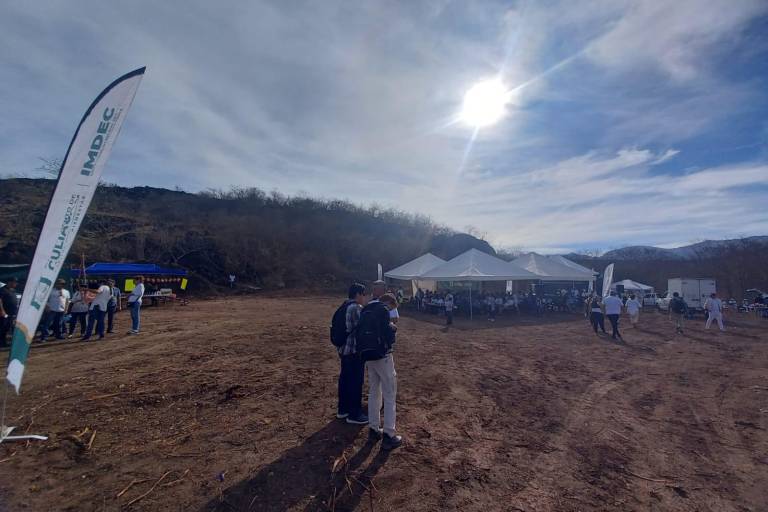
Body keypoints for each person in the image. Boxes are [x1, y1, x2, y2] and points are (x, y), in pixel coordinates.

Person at [361, 292, 402, 450]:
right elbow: (388, 336)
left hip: (368, 355)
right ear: (389, 303)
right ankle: (389, 434)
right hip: (383, 355)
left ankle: (373, 429)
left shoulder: (366, 308)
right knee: (390, 393)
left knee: (374, 391)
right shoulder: (383, 309)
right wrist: (393, 329)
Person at [336, 283, 368, 424]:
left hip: (344, 350)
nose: (364, 298)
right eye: (363, 294)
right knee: (356, 382)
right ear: (358, 294)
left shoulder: (344, 305)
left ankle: (343, 410)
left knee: (345, 380)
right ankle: (354, 414)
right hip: (353, 351)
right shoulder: (356, 308)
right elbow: (364, 328)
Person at [0, 277, 19, 347]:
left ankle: (4, 342)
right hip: (5, 313)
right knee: (3, 328)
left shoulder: (13, 290)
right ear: (10, 282)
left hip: (12, 313)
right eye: (15, 282)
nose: (16, 284)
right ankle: (1, 343)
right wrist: (2, 311)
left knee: (8, 328)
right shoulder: (2, 290)